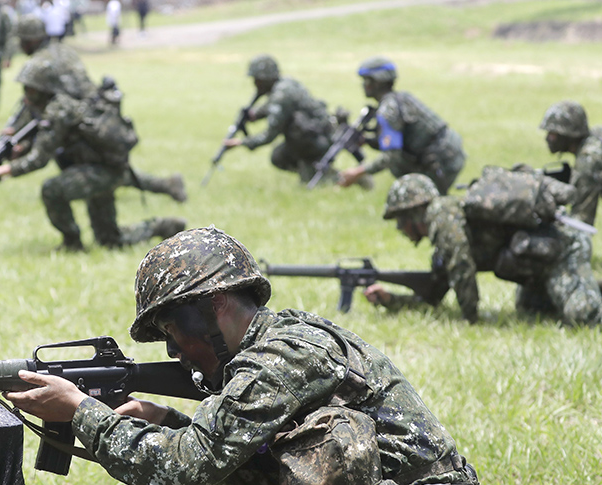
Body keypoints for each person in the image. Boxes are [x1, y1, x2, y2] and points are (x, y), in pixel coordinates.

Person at [1, 225, 546, 485]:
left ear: (211, 307)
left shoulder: (278, 360)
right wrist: (163, 422)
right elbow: (260, 480)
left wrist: (83, 414)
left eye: (173, 332)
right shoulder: (284, 342)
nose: (173, 352)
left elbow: (185, 468)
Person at [0, 60, 187, 251]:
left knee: (52, 190)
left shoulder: (59, 110)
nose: (27, 97)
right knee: (109, 240)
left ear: (44, 90)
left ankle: (72, 242)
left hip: (100, 172)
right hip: (98, 169)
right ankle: (162, 226)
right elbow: (47, 142)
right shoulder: (51, 107)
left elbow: (39, 159)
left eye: (32, 91)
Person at [365, 173, 601, 326]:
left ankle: (585, 289)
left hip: (564, 250)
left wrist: (471, 319)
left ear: (414, 212)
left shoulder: (441, 214)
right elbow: (434, 295)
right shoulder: (448, 224)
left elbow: (461, 265)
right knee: (530, 308)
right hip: (539, 267)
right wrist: (391, 300)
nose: (400, 229)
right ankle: (588, 285)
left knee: (584, 316)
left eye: (400, 220)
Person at [339, 57, 465, 194]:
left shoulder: (388, 111)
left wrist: (358, 172)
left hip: (440, 160)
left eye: (367, 80)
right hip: (448, 152)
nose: (364, 85)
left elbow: (392, 156)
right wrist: (368, 141)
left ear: (376, 82)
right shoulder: (399, 98)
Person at [222, 55, 340, 186]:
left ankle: (325, 175)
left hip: (317, 141)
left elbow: (269, 135)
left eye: (257, 80)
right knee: (278, 156)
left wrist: (241, 142)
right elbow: (270, 106)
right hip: (323, 136)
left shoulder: (281, 95)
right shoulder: (285, 84)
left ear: (265, 79)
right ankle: (311, 172)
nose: (255, 84)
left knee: (292, 136)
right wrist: (253, 115)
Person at [539, 100, 602, 226]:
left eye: (553, 133)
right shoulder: (596, 137)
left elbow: (581, 223)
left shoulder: (588, 161)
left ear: (568, 134)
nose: (547, 138)